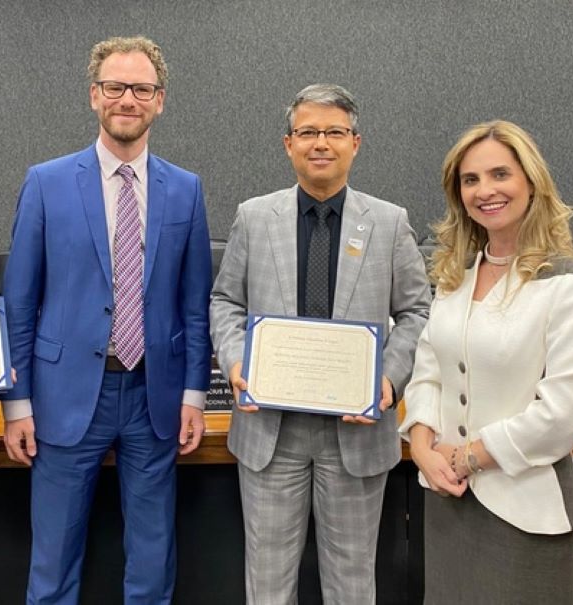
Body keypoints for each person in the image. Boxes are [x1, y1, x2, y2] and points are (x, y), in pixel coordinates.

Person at [0, 36, 212, 604]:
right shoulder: (46, 182)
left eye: (141, 89)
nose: (128, 99)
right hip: (63, 398)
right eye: (115, 87)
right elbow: (19, 303)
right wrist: (15, 403)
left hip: (155, 398)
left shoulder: (186, 190)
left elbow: (196, 305)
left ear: (159, 100)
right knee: (53, 561)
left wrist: (194, 394)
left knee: (152, 558)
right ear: (94, 96)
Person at [210, 83, 431, 605]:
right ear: (288, 144)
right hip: (271, 433)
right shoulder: (254, 217)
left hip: (355, 434)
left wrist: (389, 379)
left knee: (352, 584)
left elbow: (419, 311)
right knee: (266, 584)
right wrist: (239, 363)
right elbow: (225, 304)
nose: (321, 143)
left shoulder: (390, 222)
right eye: (308, 132)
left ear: (356, 142)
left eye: (335, 132)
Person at [399, 120, 573, 604]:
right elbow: (429, 368)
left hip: (525, 511)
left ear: (531, 182)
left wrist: (470, 457)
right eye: (470, 180)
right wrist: (422, 444)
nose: (485, 191)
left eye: (500, 174)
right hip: (448, 501)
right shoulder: (455, 276)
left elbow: (564, 413)